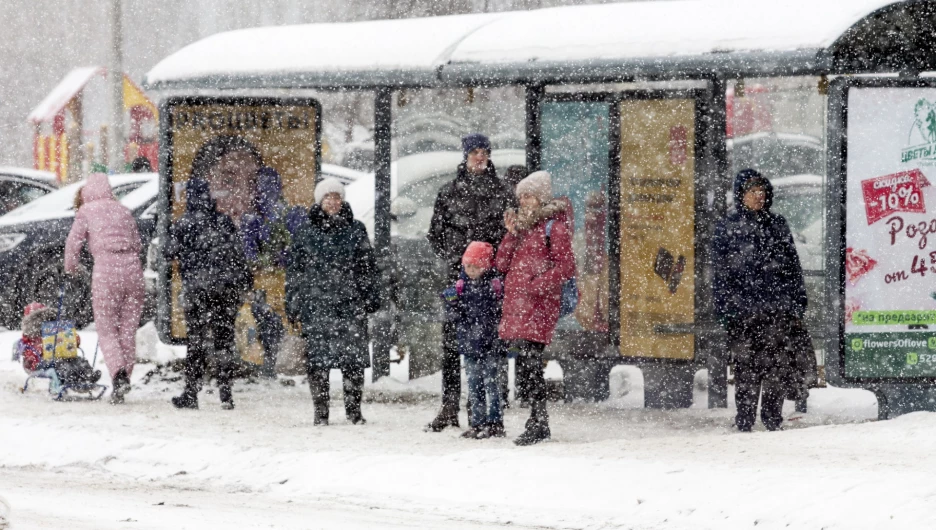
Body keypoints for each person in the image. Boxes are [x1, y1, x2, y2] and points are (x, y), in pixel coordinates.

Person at [711, 169, 808, 432]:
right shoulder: (727, 227)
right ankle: (744, 418)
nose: (758, 196)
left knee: (776, 368)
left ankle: (772, 419)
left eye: (762, 191)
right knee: (746, 368)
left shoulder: (777, 225)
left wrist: (797, 303)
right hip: (743, 313)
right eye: (752, 192)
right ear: (741, 195)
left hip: (777, 311)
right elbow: (720, 274)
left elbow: (792, 267)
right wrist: (725, 308)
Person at [425, 133, 511, 432]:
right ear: (465, 155)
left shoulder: (502, 192)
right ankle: (450, 403)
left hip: (491, 284)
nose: (479, 156)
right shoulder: (448, 192)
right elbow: (435, 233)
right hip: (458, 280)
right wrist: (456, 259)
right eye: (474, 151)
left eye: (484, 151)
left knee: (491, 346)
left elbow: (509, 236)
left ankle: (491, 410)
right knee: (452, 341)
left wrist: (493, 264)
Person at [286, 178, 380, 426]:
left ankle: (353, 411)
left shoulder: (356, 229)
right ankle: (321, 412)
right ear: (320, 200)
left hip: (349, 304)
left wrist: (370, 295)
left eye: (337, 197)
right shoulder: (305, 232)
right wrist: (293, 302)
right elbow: (295, 271)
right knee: (318, 363)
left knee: (353, 362)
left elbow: (366, 267)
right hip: (316, 306)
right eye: (328, 197)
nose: (333, 202)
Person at [497, 171, 576, 446]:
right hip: (518, 305)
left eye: (528, 195)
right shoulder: (523, 227)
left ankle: (538, 420)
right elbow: (501, 264)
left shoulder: (553, 227)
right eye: (521, 197)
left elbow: (566, 267)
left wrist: (535, 286)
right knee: (526, 363)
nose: (524, 201)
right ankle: (537, 419)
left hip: (539, 304)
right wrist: (510, 235)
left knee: (531, 362)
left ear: (541, 197)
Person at [167, 178, 252, 410]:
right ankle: (226, 394)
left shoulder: (184, 223)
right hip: (226, 291)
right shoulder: (223, 221)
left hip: (197, 291)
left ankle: (191, 393)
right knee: (224, 341)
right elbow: (238, 253)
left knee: (196, 342)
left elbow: (168, 253)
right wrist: (244, 282)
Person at [64, 173, 145, 404]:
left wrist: (70, 267)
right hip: (133, 271)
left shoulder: (86, 211)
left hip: (106, 272)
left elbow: (73, 242)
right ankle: (124, 377)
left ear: (86, 193)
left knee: (107, 328)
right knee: (127, 330)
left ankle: (118, 374)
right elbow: (137, 243)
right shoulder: (123, 210)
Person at [441, 242, 506, 439]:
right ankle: (477, 423)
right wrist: (451, 303)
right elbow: (454, 316)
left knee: (491, 386)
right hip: (470, 344)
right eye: (468, 265)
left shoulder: (494, 286)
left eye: (476, 266)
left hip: (489, 344)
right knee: (475, 386)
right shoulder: (460, 287)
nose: (471, 270)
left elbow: (499, 313)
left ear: (486, 266)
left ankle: (494, 423)